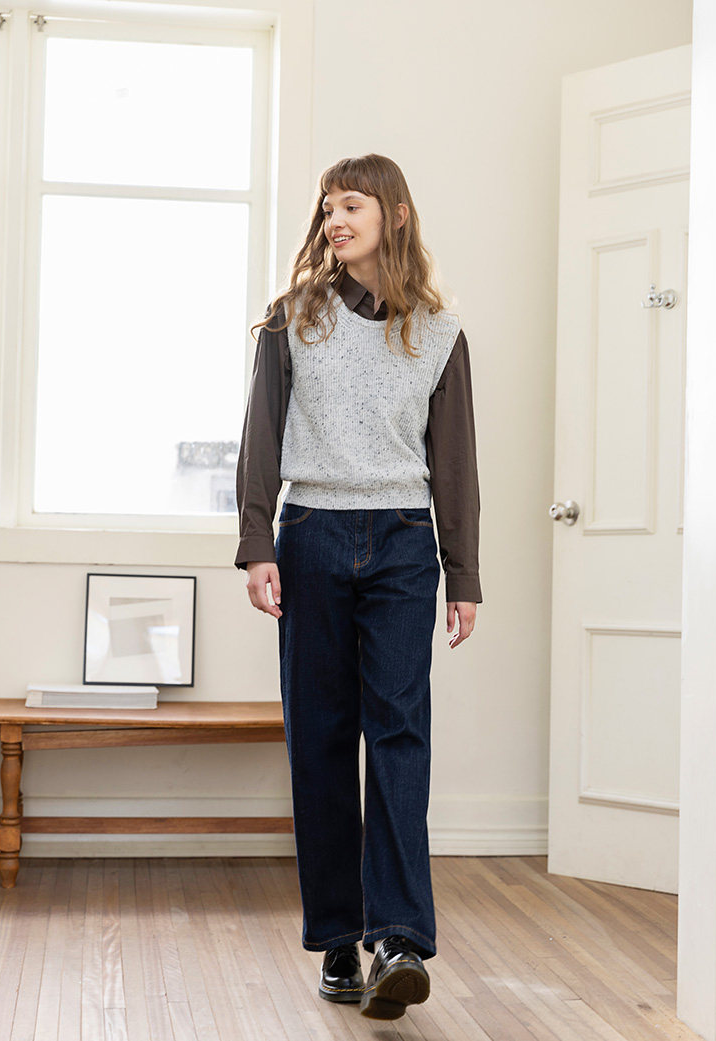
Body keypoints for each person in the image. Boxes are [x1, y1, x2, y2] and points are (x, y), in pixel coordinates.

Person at [234, 153, 482, 1021]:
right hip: (310, 535)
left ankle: (400, 938)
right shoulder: (292, 318)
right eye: (328, 208)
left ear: (395, 215)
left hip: (406, 544)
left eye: (353, 206)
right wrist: (256, 543)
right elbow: (261, 436)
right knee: (322, 738)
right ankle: (339, 935)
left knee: (401, 733)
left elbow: (456, 463)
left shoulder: (439, 332)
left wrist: (464, 573)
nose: (335, 221)